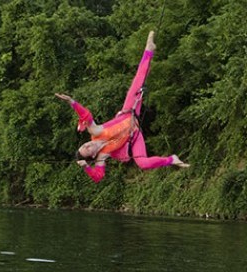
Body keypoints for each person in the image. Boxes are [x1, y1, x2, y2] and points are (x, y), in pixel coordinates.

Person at [55, 31, 188, 183]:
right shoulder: (101, 156)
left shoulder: (95, 132)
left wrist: (72, 102)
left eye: (85, 144)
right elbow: (98, 177)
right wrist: (86, 167)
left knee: (137, 82)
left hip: (129, 112)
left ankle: (149, 50)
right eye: (87, 149)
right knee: (142, 163)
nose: (88, 144)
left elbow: (86, 116)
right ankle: (171, 159)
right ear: (91, 155)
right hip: (134, 134)